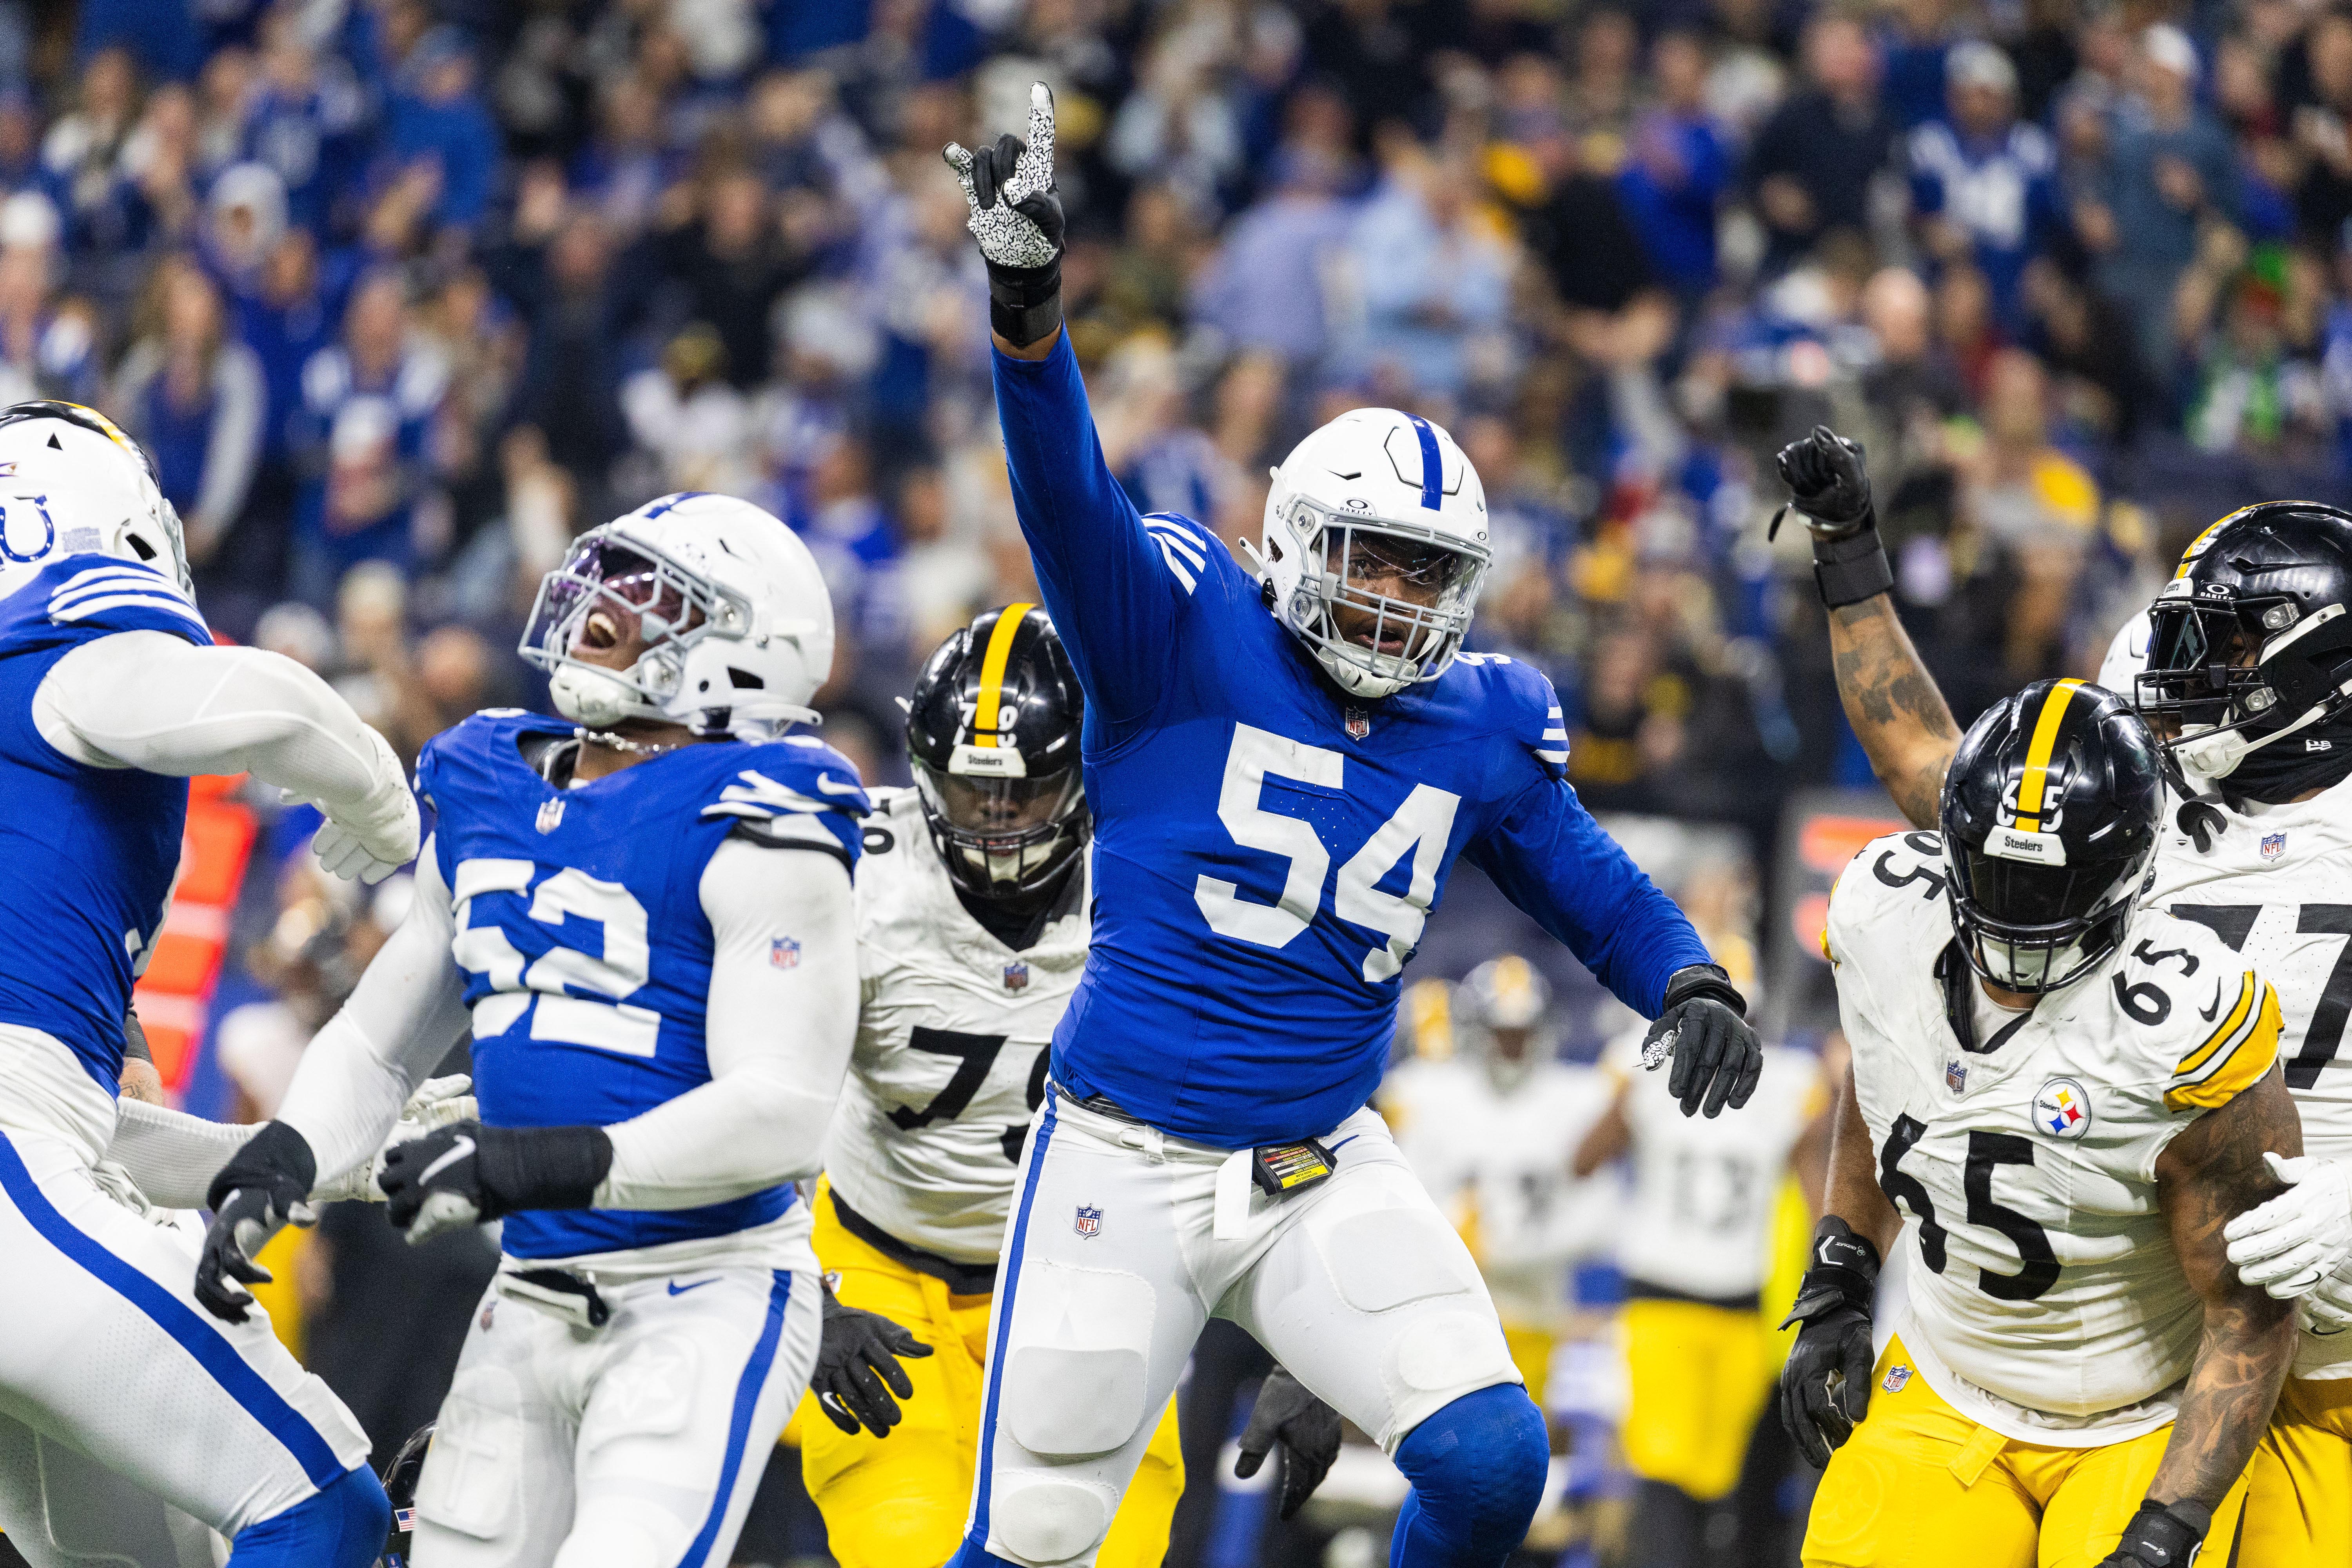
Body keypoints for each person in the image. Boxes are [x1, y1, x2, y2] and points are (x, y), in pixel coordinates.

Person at [942, 87, 1764, 1568]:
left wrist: (1690, 978)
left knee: (1492, 1467)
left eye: (1425, 572)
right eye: (1371, 559)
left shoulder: (1481, 721)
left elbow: (1593, 886)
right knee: (1042, 1533)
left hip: (1315, 1160)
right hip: (1121, 1154)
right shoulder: (1179, 634)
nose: (1394, 600)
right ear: (1297, 539)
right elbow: (1066, 497)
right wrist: (1029, 316)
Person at [193, 491, 869, 1566]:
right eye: (605, 577)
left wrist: (524, 1163)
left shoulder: (764, 813)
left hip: (705, 1285)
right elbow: (379, 1040)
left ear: (744, 647)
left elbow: (781, 1111)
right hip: (533, 1287)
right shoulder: (490, 778)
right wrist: (286, 1157)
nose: (600, 606)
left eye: (650, 595)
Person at [1777, 426, 2352, 1565]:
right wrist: (1852, 562)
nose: (2188, 666)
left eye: (2232, 643)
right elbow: (1939, 772)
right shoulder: (2145, 772)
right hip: (2154, 1339)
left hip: (2333, 1355)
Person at [0, 399, 423, 1564]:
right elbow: (270, 703)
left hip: (30, 1178)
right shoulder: (61, 661)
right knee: (326, 1504)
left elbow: (74, 1132)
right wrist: (381, 799)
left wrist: (320, 1156)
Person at [1788, 679, 2301, 1566]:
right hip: (1949, 1379)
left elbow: (2251, 1310)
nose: (2016, 911)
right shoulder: (1883, 914)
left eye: (2049, 885)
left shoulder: (2180, 1024)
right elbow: (1887, 1085)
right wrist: (1841, 1268)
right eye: (1998, 875)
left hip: (2138, 1422)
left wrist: (2169, 1526)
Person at [795, 605, 1191, 1566]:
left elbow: (1259, 1093)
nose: (1000, 816)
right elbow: (749, 1092)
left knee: (1104, 1552)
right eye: (974, 790)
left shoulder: (1160, 879)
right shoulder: (851, 873)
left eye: (1025, 788)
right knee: (903, 1541)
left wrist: (1300, 1340)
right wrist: (802, 1292)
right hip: (882, 1266)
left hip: (1091, 1275)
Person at [1574, 1021, 1827, 1566]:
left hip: (1698, 1299)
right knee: (1682, 1476)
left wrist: (1639, 1072)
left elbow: (1585, 1159)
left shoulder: (1654, 1070)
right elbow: (1819, 1204)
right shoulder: (1786, 1082)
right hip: (1701, 1299)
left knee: (1696, 1477)